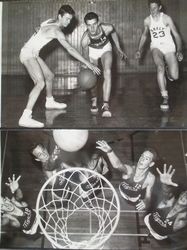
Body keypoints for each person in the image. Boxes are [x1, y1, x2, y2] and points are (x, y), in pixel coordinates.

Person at [19, 5, 100, 128]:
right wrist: (87, 62)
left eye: (70, 19)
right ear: (60, 16)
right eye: (66, 19)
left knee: (49, 76)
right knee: (40, 83)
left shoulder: (49, 21)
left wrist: (35, 40)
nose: (68, 22)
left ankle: (50, 101)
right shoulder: (57, 31)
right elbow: (70, 49)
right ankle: (25, 116)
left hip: (33, 53)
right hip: (27, 53)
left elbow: (37, 28)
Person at [135, 0, 183, 111]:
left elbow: (176, 35)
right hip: (156, 47)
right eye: (151, 8)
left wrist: (179, 50)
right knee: (159, 68)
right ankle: (165, 97)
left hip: (169, 46)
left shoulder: (166, 19)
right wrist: (139, 50)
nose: (152, 11)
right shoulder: (147, 21)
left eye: (155, 8)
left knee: (175, 76)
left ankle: (169, 72)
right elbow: (144, 35)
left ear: (160, 7)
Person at [81, 12, 127, 117]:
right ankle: (94, 100)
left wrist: (119, 48)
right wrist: (90, 66)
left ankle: (105, 105)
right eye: (89, 25)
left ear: (98, 23)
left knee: (108, 71)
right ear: (86, 25)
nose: (92, 28)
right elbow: (85, 58)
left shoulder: (107, 28)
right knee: (92, 74)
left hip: (105, 48)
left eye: (94, 24)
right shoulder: (85, 40)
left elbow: (114, 32)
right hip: (92, 51)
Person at [96, 140, 156, 211]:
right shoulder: (130, 170)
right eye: (142, 156)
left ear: (151, 164)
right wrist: (110, 152)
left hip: (134, 203)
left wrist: (146, 201)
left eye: (146, 159)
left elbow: (148, 196)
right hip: (120, 196)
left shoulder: (150, 178)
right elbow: (118, 165)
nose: (142, 159)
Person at [144, 164, 187, 240]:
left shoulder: (182, 218)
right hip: (148, 220)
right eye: (184, 194)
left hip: (159, 234)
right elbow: (166, 193)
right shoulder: (170, 201)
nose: (184, 196)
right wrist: (165, 184)